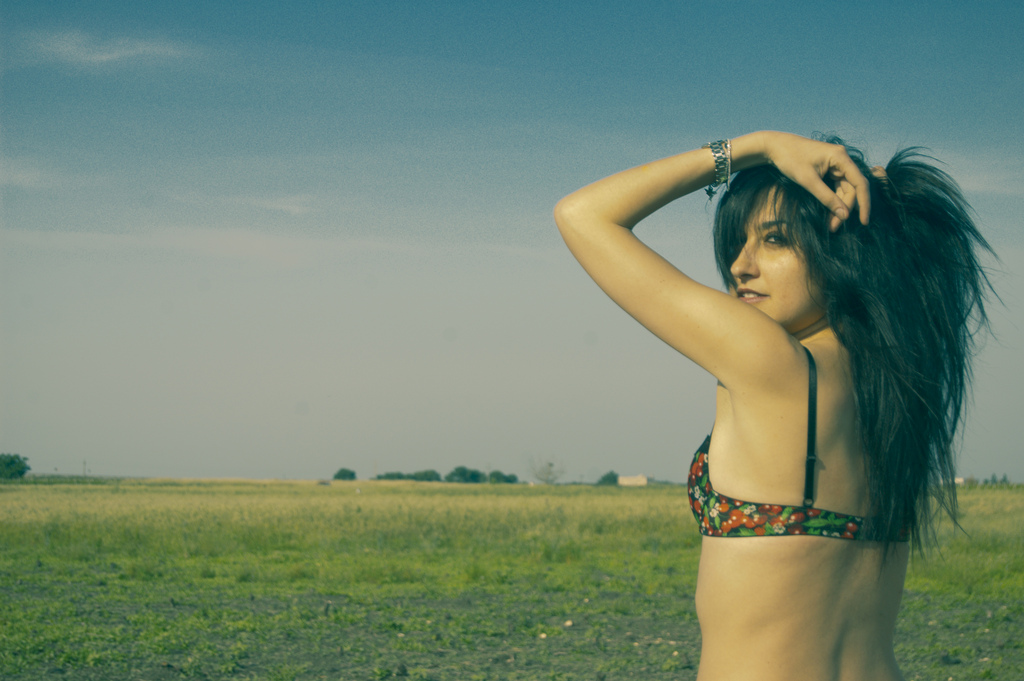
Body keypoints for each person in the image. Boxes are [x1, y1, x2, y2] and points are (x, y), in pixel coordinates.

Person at [554, 131, 993, 680]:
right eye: (738, 241)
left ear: (844, 247)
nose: (741, 265)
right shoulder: (900, 385)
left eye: (776, 240)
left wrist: (756, 147)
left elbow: (583, 215)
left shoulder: (772, 360)